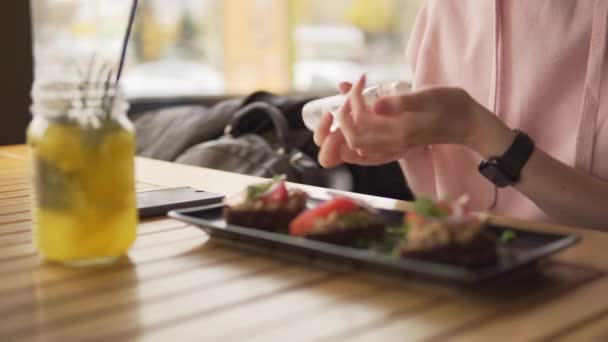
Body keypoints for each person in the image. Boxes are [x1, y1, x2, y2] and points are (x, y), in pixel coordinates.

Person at [313, 0, 608, 230]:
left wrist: (477, 129)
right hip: (465, 282)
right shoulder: (443, 10)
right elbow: (437, 200)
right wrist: (409, 148)